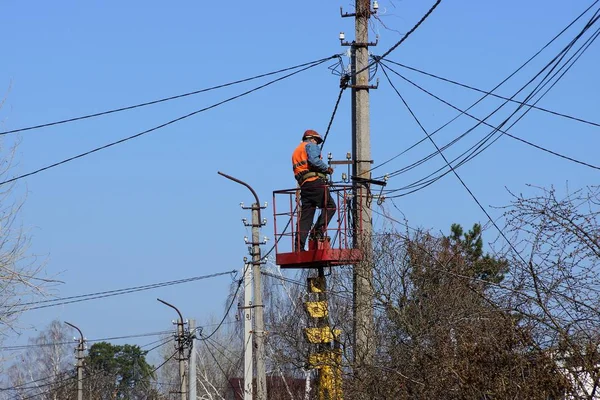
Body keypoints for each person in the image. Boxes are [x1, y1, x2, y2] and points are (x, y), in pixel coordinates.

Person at [292, 129, 336, 251]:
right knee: (331, 206)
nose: (317, 143)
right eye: (316, 140)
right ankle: (317, 232)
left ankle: (299, 247)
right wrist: (327, 169)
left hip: (304, 186)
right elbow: (314, 161)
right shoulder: (310, 146)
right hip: (315, 183)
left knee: (306, 216)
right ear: (311, 138)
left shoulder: (297, 151)